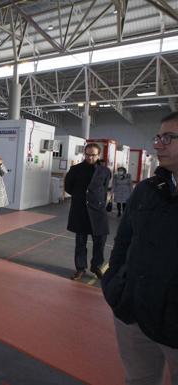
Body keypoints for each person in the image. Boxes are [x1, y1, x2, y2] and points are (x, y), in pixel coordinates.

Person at [102, 112, 178, 385]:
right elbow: (123, 242)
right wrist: (115, 284)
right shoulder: (147, 190)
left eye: (168, 138)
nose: (158, 144)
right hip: (133, 316)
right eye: (158, 137)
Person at [64, 143, 111, 281]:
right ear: (84, 154)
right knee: (80, 242)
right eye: (88, 154)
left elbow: (104, 188)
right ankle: (80, 268)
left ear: (99, 155)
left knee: (100, 241)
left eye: (93, 155)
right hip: (81, 210)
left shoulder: (105, 171)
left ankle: (96, 267)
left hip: (98, 211)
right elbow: (68, 187)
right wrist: (81, 198)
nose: (90, 157)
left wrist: (99, 201)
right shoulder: (75, 169)